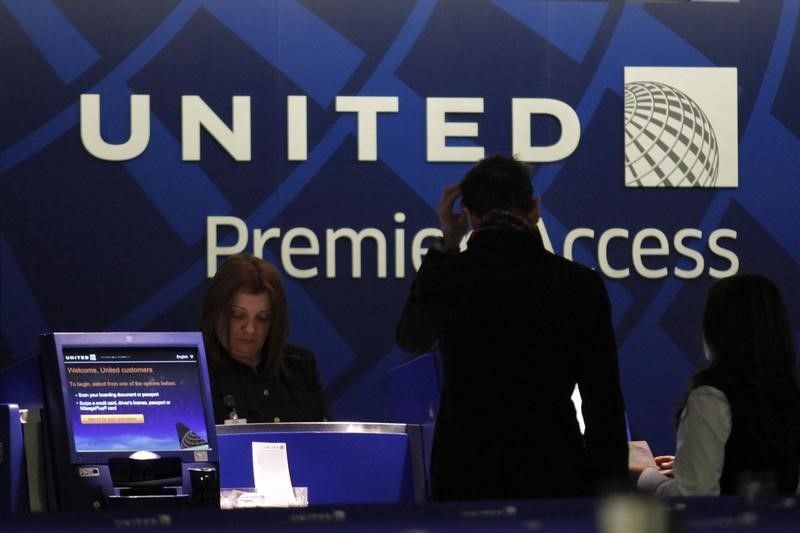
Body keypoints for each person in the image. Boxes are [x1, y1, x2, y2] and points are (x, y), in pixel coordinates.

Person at [396, 155, 629, 500]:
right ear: (535, 209)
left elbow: (410, 338)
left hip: (465, 480)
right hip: (554, 475)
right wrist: (609, 497)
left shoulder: (445, 278)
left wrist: (447, 242)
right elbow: (603, 405)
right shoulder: (578, 285)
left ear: (469, 215)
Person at [632, 274, 800, 496]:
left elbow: (692, 496)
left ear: (716, 329)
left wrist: (645, 474)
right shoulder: (789, 394)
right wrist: (691, 465)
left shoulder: (710, 399)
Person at [201, 254, 329, 424]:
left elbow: (324, 439)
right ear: (216, 311)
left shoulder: (300, 365)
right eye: (237, 315)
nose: (250, 329)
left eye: (262, 318)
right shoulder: (195, 371)